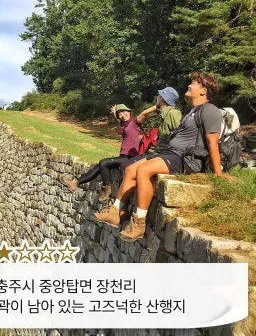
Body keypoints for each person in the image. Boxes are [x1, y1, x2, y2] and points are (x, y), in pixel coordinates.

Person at [95, 72, 230, 242]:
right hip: (171, 153)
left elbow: (212, 142)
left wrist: (218, 172)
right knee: (130, 169)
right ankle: (115, 212)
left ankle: (139, 223)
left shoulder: (210, 110)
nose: (189, 85)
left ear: (204, 90)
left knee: (143, 170)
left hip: (186, 159)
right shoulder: (192, 110)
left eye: (194, 83)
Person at [62, 103, 142, 202]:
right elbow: (121, 120)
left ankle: (106, 189)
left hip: (129, 158)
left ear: (129, 112)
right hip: (123, 157)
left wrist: (157, 105)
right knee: (99, 166)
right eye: (120, 114)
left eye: (124, 112)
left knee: (103, 163)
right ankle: (76, 182)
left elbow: (144, 114)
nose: (122, 115)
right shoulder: (125, 125)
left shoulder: (134, 122)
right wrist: (115, 113)